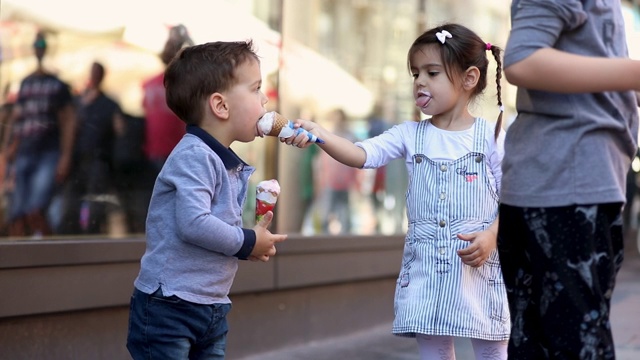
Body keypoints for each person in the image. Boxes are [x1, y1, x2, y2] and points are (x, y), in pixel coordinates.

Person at [291, 23, 510, 359]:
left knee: (492, 351)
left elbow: (512, 198)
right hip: (426, 272)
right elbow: (362, 155)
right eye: (415, 73)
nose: (420, 81)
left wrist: (492, 235)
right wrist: (321, 133)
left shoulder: (492, 137)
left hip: (478, 268)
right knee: (434, 351)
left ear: (469, 79)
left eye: (432, 72)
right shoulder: (410, 134)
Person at [126, 40, 287, 359]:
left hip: (210, 304)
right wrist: (246, 241)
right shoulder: (195, 156)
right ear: (221, 106)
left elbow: (216, 226)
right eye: (255, 89)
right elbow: (194, 223)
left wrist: (248, 243)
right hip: (169, 306)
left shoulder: (222, 159)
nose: (265, 98)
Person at [498, 2, 640, 359]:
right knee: (577, 345)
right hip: (564, 187)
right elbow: (523, 59)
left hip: (571, 182)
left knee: (541, 343)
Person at [3, 31, 76, 237]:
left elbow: (68, 121)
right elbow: (18, 120)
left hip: (47, 153)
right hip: (25, 152)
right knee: (16, 215)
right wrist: (10, 148)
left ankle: (50, 254)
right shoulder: (26, 83)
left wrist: (65, 157)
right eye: (37, 43)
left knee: (36, 210)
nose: (39, 47)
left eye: (41, 43)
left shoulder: (57, 85)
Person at [58, 61, 121, 235]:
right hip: (78, 160)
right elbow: (69, 125)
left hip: (98, 159)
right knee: (71, 205)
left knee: (95, 208)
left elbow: (119, 129)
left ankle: (90, 236)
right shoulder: (79, 101)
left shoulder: (108, 104)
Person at [142, 24, 193, 177]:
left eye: (174, 44)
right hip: (157, 152)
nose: (170, 48)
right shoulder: (150, 84)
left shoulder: (187, 82)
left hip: (177, 151)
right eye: (169, 44)